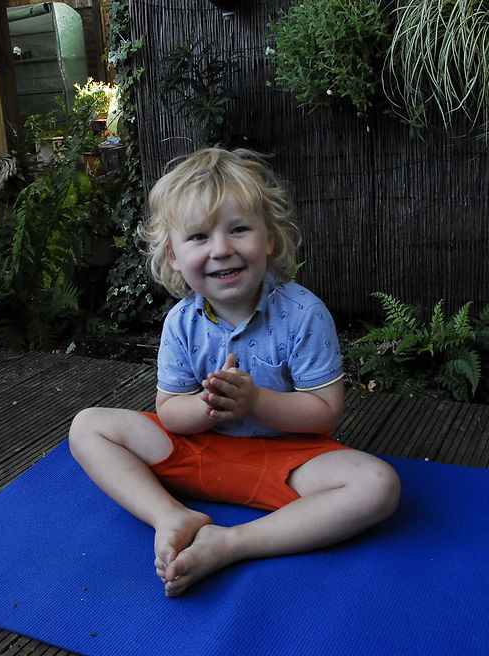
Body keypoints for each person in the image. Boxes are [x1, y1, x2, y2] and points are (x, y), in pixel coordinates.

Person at [68, 147, 400, 597]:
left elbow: (325, 414)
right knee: (88, 426)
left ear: (269, 239)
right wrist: (209, 409)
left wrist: (255, 403)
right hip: (198, 452)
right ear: (173, 255)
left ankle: (230, 543)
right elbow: (169, 414)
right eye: (199, 237)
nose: (221, 249)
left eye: (239, 229)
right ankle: (170, 515)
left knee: (378, 485)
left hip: (287, 460)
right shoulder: (180, 323)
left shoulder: (303, 313)